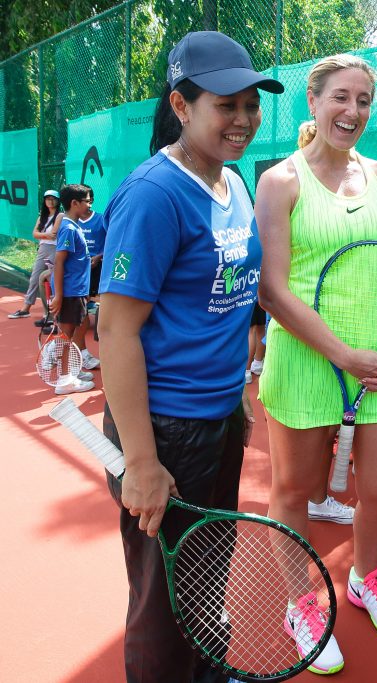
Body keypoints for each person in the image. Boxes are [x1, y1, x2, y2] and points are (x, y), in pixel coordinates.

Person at [98, 30, 280, 683]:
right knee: (161, 596)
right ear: (181, 105)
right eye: (226, 104)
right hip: (164, 431)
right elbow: (115, 331)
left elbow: (224, 306)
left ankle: (208, 673)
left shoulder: (232, 181)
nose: (243, 119)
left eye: (251, 105)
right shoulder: (153, 194)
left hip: (216, 420)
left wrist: (234, 401)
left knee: (205, 571)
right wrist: (142, 463)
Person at [256, 53, 377, 660]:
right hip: (306, 361)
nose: (352, 112)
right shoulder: (280, 181)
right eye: (340, 98)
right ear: (313, 103)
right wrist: (343, 353)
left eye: (364, 100)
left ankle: (364, 578)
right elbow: (273, 289)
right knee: (294, 492)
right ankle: (301, 605)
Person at [50, 184, 96, 395]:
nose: (89, 204)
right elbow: (60, 262)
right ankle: (64, 380)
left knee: (72, 332)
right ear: (74, 203)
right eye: (86, 201)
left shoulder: (73, 225)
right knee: (67, 335)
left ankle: (70, 372)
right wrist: (59, 295)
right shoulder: (68, 228)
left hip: (76, 290)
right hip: (69, 292)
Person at [8, 189, 62, 321]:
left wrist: (41, 235)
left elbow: (53, 235)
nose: (50, 201)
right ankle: (25, 309)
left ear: (58, 200)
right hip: (43, 248)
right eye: (48, 198)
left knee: (53, 280)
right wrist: (44, 235)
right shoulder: (41, 217)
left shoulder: (61, 216)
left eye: (53, 198)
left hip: (55, 249)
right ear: (44, 201)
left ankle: (55, 313)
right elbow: (35, 234)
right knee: (34, 278)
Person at [77, 185, 104, 369]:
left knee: (84, 312)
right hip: (77, 272)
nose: (86, 204)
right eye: (81, 201)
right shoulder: (70, 223)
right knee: (78, 314)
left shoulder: (101, 220)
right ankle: (61, 351)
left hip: (97, 269)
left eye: (87, 200)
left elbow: (112, 243)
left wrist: (97, 257)